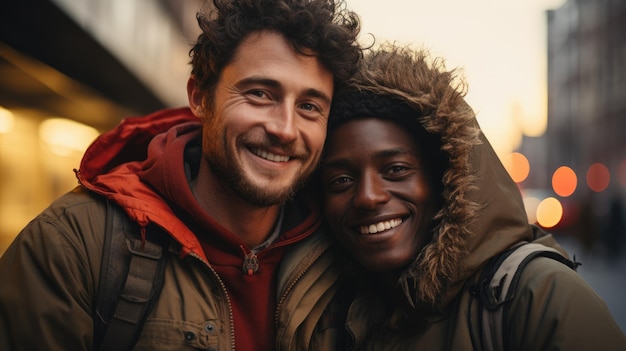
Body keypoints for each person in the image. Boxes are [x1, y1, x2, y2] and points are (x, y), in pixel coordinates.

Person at [0, 0, 362, 350]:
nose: (285, 128)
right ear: (200, 97)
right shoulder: (72, 245)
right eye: (259, 94)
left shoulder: (349, 256)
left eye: (310, 107)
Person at [315, 45, 626, 350]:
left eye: (396, 170)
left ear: (444, 178)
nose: (368, 197)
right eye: (341, 180)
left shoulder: (542, 297)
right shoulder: (327, 316)